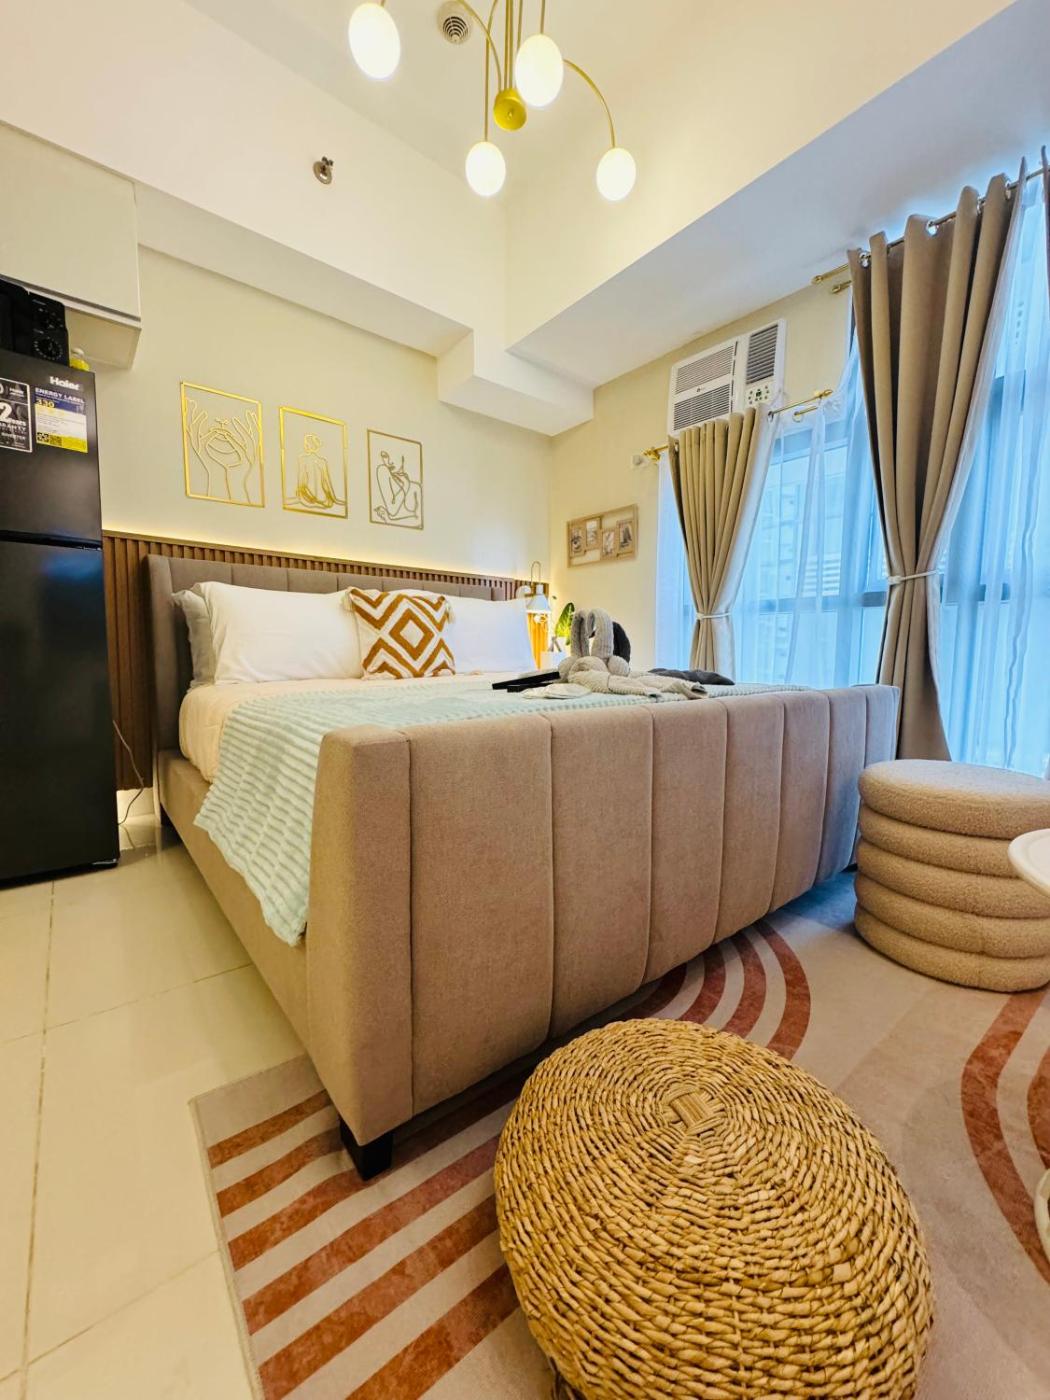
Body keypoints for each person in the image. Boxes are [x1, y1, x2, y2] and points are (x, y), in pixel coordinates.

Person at [374, 448, 421, 523]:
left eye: (393, 455)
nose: (389, 462)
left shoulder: (415, 487)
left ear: (403, 458)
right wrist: (405, 485)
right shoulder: (382, 471)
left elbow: (418, 520)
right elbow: (392, 510)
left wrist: (389, 520)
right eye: (385, 456)